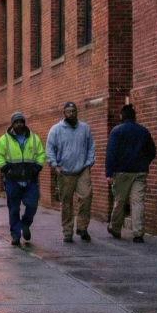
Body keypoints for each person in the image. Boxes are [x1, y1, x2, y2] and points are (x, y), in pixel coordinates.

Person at [105, 104, 157, 243]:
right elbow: (152, 151)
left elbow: (111, 153)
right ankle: (138, 233)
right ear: (134, 116)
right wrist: (145, 163)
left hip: (121, 172)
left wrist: (109, 172)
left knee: (120, 201)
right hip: (139, 172)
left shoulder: (116, 131)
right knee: (138, 202)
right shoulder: (143, 131)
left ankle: (115, 227)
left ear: (121, 116)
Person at [46, 102, 96, 243]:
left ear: (77, 112)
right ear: (64, 113)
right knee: (66, 202)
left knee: (86, 197)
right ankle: (67, 231)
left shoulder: (84, 128)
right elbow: (50, 149)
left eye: (73, 111)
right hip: (64, 171)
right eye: (68, 111)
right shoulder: (56, 129)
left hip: (82, 170)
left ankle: (82, 228)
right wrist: (54, 165)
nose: (71, 113)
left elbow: (91, 146)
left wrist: (89, 162)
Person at [0, 111, 45, 246]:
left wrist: (37, 168)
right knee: (14, 209)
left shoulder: (34, 138)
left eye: (21, 122)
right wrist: (6, 169)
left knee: (32, 205)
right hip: (12, 180)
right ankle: (15, 235)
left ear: (24, 123)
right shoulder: (4, 139)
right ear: (12, 124)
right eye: (16, 122)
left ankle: (25, 223)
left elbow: (41, 155)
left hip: (30, 180)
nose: (19, 124)